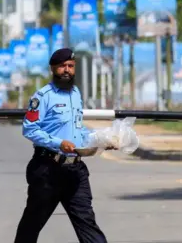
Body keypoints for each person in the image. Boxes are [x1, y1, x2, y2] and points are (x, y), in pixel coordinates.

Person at [14, 48, 111, 243]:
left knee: (87, 224)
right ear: (52, 69)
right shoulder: (43, 96)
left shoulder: (75, 93)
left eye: (70, 66)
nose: (66, 70)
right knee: (32, 224)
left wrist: (101, 140)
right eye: (62, 66)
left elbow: (78, 130)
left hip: (75, 171)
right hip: (48, 170)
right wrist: (59, 143)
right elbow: (30, 129)